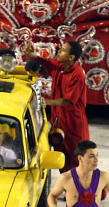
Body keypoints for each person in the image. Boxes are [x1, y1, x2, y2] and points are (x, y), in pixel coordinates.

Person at [23, 41, 89, 173]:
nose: (59, 51)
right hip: (58, 121)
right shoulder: (59, 65)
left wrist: (46, 102)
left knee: (78, 159)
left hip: (73, 122)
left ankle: (90, 191)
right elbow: (44, 62)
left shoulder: (78, 74)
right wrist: (31, 55)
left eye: (63, 50)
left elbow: (67, 101)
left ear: (71, 57)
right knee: (61, 157)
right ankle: (69, 190)